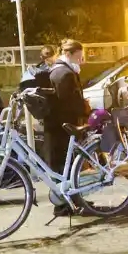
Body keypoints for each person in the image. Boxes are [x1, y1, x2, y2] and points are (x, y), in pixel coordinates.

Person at [43, 40, 88, 209]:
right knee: (66, 165)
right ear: (69, 54)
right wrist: (83, 109)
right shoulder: (65, 73)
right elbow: (67, 102)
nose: (81, 60)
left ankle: (69, 202)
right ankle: (67, 204)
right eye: (79, 56)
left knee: (62, 167)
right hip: (63, 126)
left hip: (54, 126)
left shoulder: (55, 68)